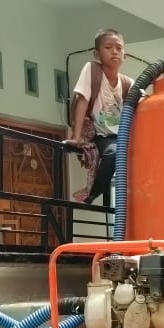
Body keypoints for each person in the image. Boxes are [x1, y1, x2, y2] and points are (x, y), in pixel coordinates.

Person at [67, 28, 133, 204]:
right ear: (97, 54)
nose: (114, 51)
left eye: (119, 48)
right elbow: (82, 100)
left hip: (122, 136)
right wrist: (76, 137)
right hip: (100, 133)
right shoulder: (92, 71)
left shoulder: (128, 83)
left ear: (124, 55)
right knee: (114, 153)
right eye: (108, 47)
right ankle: (92, 193)